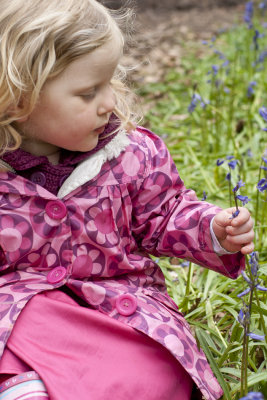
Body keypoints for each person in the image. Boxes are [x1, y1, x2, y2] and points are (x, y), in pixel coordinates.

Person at [0, 0, 254, 399]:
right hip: (25, 312)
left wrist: (212, 230)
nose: (108, 104)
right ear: (17, 99)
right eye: (88, 93)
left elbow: (165, 212)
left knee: (156, 373)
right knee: (22, 320)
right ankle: (28, 386)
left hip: (116, 303)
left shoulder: (129, 154)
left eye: (109, 83)